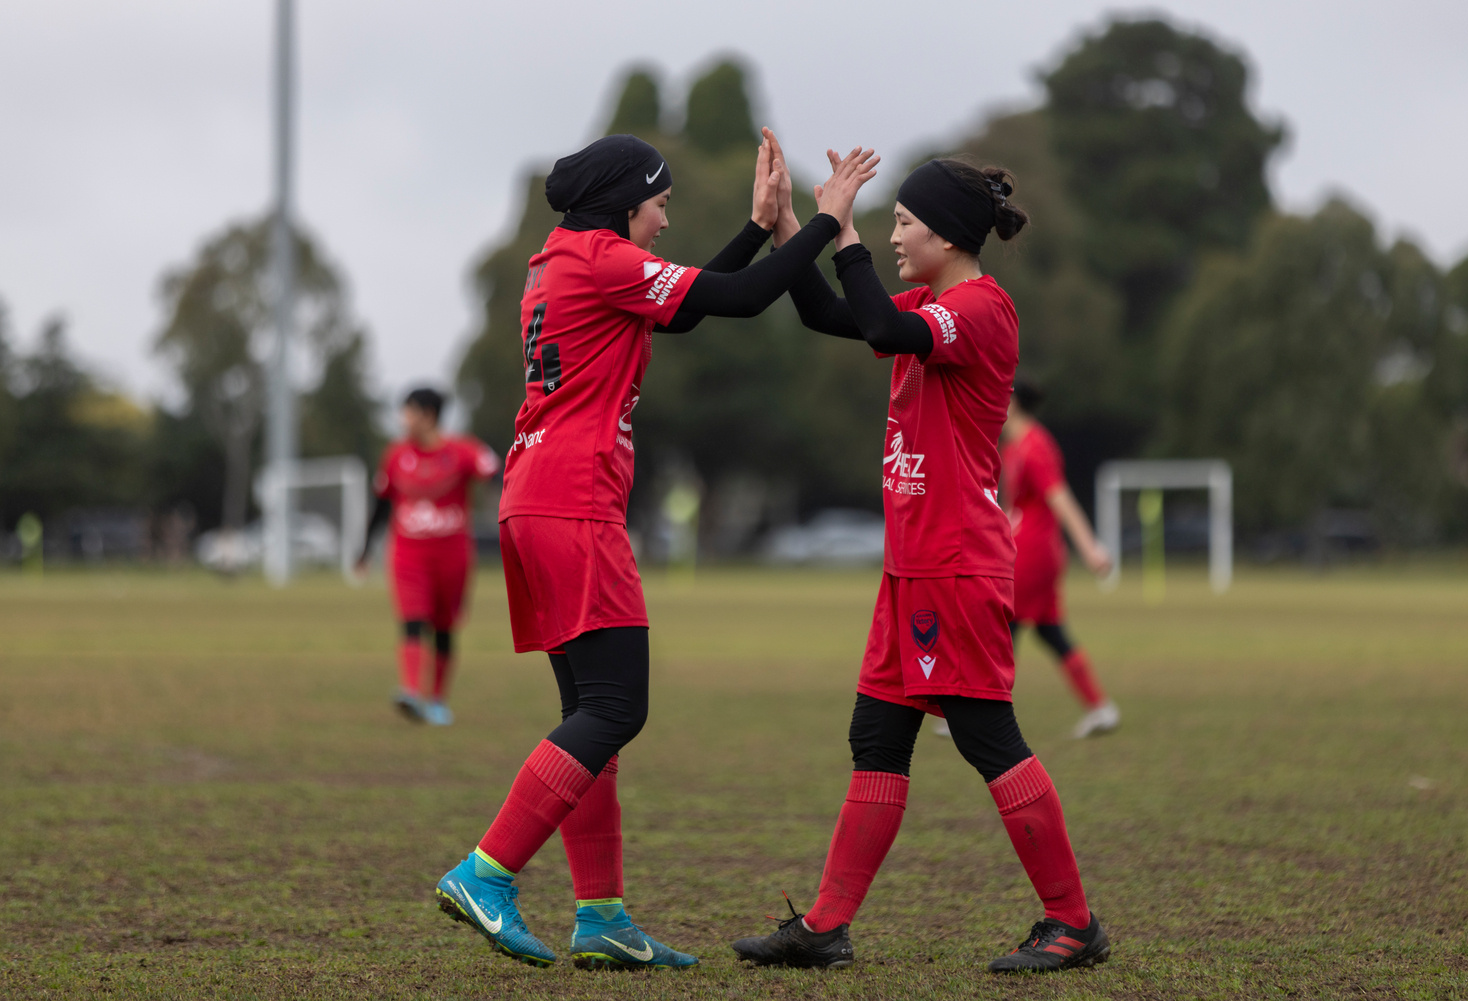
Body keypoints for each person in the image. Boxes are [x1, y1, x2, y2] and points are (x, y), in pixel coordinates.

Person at [432, 132, 880, 971]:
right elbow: (743, 300)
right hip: (573, 505)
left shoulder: (562, 259)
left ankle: (600, 914)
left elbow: (694, 301)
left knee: (590, 718)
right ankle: (486, 871)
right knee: (616, 709)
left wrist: (758, 226)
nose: (667, 219)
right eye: (662, 202)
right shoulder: (603, 260)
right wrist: (821, 221)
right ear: (625, 203)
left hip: (537, 500)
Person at [730, 132, 1110, 974]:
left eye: (903, 223)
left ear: (945, 236)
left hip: (957, 563)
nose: (895, 236)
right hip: (912, 568)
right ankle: (826, 925)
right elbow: (831, 313)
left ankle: (1073, 921)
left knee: (988, 739)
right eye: (890, 223)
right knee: (876, 737)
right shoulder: (930, 308)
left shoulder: (979, 309)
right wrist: (802, 223)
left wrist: (844, 230)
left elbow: (871, 315)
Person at [358, 387, 499, 726]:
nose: (403, 420)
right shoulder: (395, 456)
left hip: (452, 556)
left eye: (409, 412)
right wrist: (363, 549)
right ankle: (409, 691)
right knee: (411, 621)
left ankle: (437, 701)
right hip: (408, 554)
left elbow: (498, 473)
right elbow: (381, 504)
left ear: (428, 415)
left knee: (444, 628)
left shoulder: (464, 452)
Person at [999, 379, 1119, 738]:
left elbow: (1060, 498)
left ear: (1013, 402)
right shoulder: (1013, 448)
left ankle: (981, 714)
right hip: (1030, 549)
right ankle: (1100, 707)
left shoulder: (1035, 446)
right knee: (1050, 631)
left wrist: (1090, 547)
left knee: (1003, 626)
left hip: (1034, 553)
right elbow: (1017, 507)